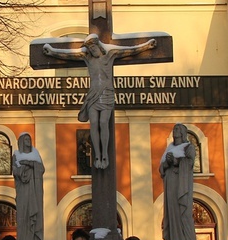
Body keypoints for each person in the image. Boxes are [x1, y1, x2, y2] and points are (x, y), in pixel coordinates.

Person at [43, 34, 156, 169]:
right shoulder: (88, 58)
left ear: (98, 45)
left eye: (93, 47)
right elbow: (68, 55)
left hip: (107, 93)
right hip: (93, 95)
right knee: (94, 124)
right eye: (89, 49)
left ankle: (105, 155)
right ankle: (97, 154)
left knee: (103, 122)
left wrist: (146, 46)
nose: (92, 51)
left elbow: (129, 50)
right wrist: (52, 52)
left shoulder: (110, 55)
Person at [160, 123, 197, 240]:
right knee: (171, 210)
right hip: (169, 182)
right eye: (174, 129)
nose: (174, 131)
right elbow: (161, 168)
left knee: (182, 210)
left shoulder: (188, 147)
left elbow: (190, 163)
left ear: (182, 132)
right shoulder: (169, 148)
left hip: (181, 183)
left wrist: (176, 161)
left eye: (177, 129)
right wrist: (166, 164)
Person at [13, 133, 45, 240]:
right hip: (23, 190)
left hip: (35, 189)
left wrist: (28, 163)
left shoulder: (36, 155)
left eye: (29, 139)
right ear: (21, 141)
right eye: (25, 139)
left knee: (36, 214)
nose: (28, 141)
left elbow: (41, 169)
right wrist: (24, 169)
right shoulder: (16, 155)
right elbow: (15, 171)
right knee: (24, 214)